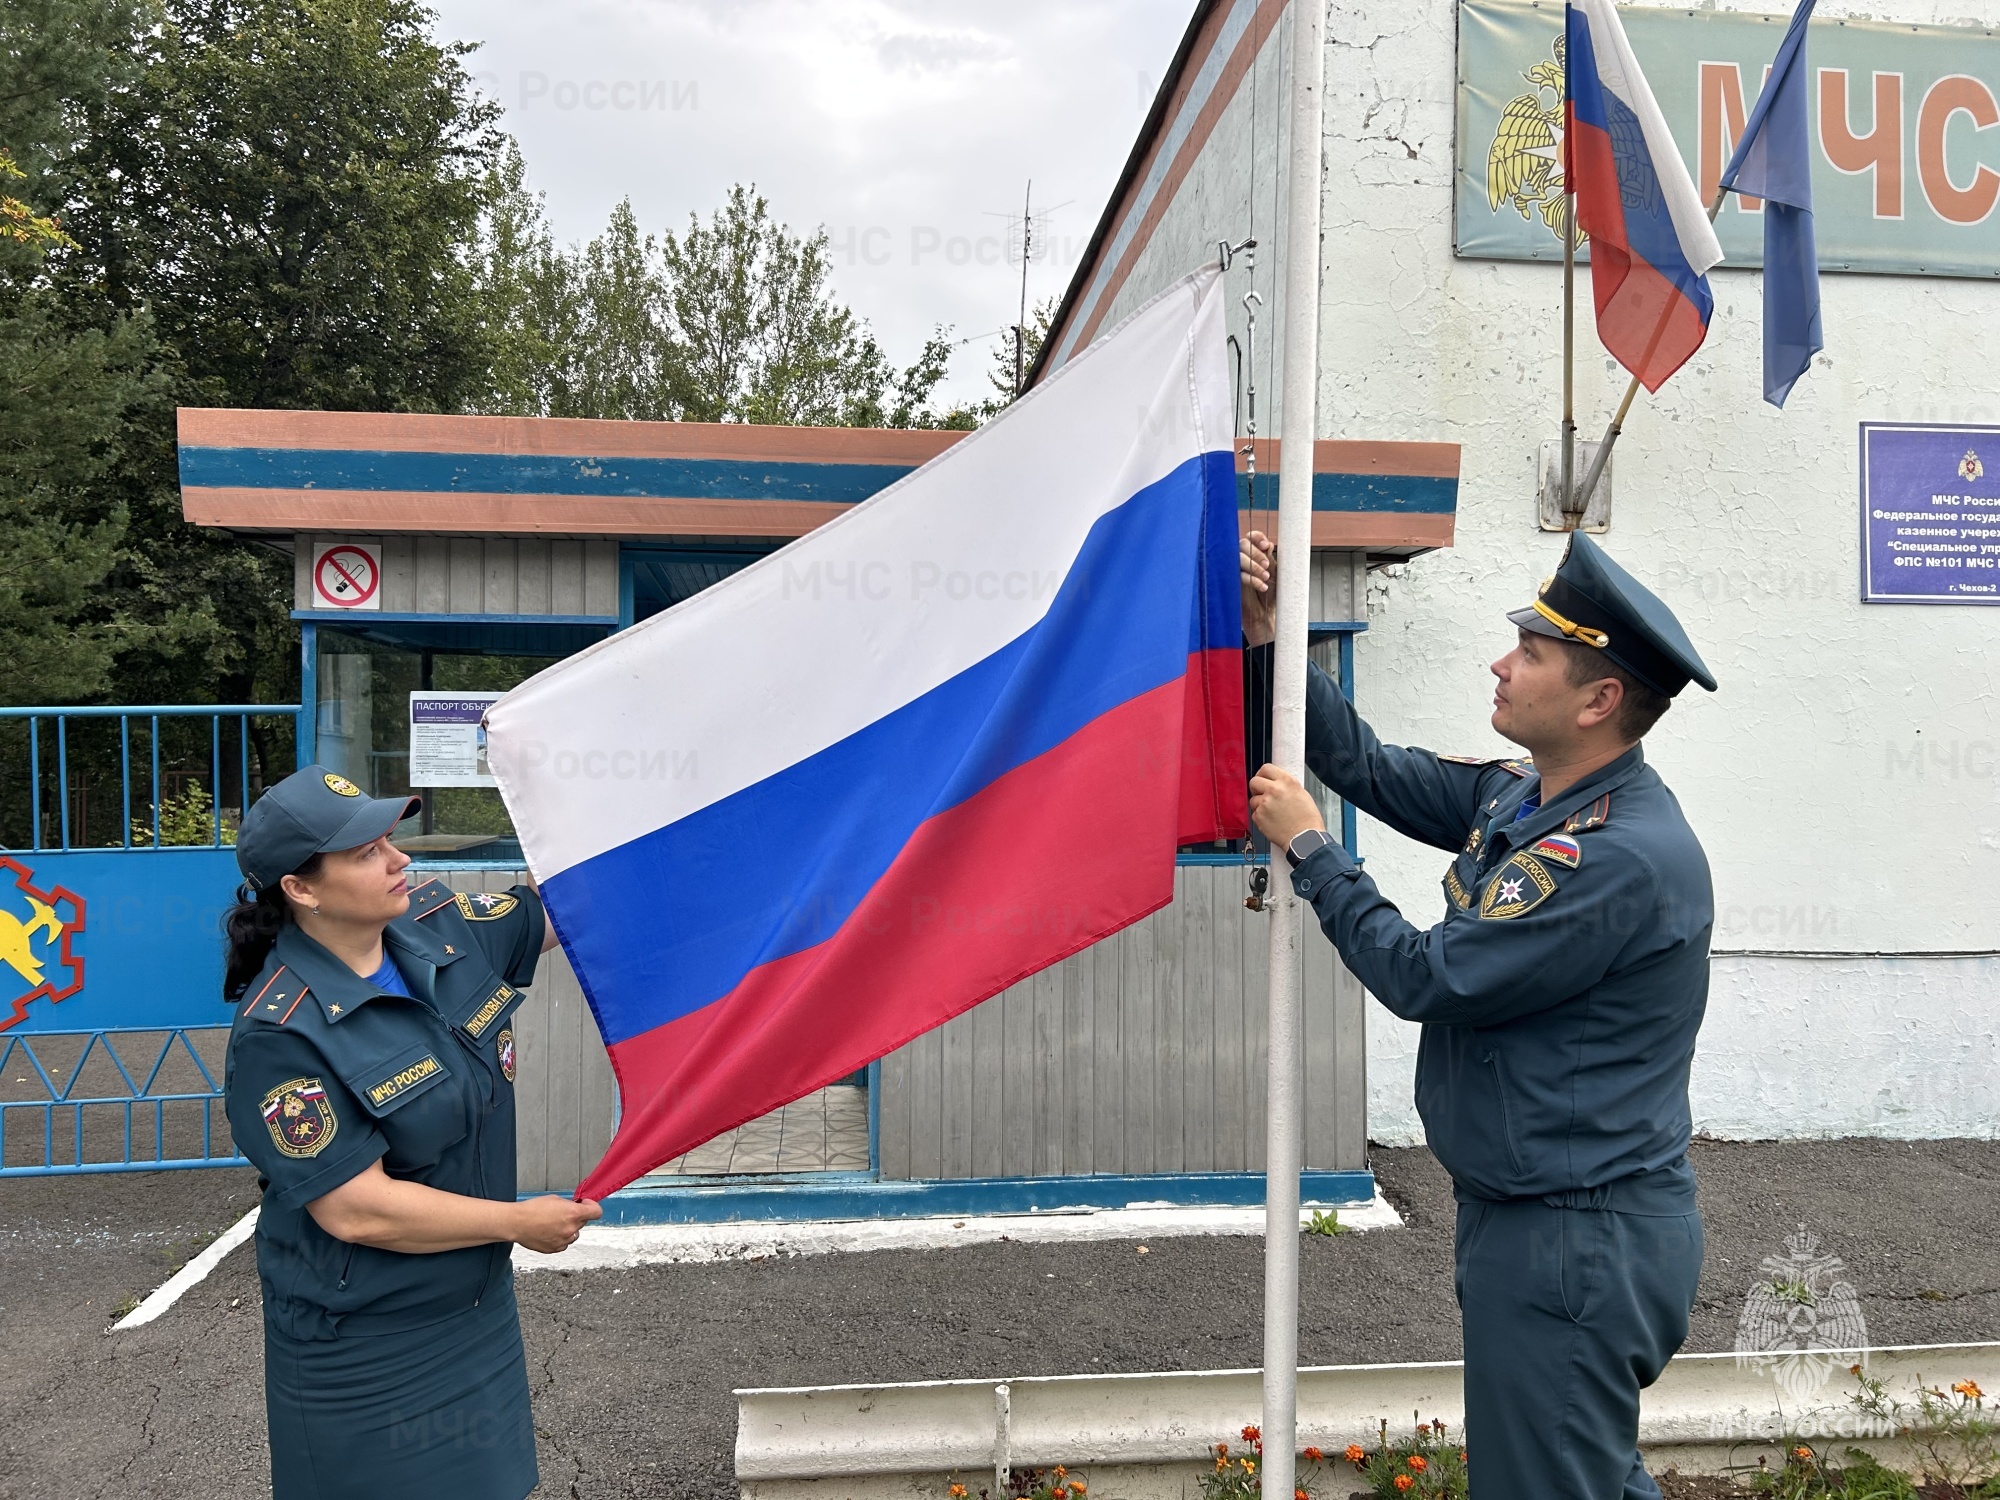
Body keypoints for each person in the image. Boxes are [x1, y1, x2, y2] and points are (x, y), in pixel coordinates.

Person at [1240, 529, 1717, 1500]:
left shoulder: (1609, 856)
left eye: (1530, 653)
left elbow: (1425, 977)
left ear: (1597, 700)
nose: (1500, 663)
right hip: (1545, 1223)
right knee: (1579, 1474)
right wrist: (1264, 637)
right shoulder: (1525, 797)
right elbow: (1362, 765)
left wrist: (1313, 854)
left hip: (1570, 1240)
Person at [221, 765, 601, 1500]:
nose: (400, 860)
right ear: (301, 889)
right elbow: (355, 1207)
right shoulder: (279, 1033)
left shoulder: (437, 925)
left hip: (474, 1307)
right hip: (366, 1344)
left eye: (391, 839)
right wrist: (519, 1221)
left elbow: (568, 909)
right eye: (366, 852)